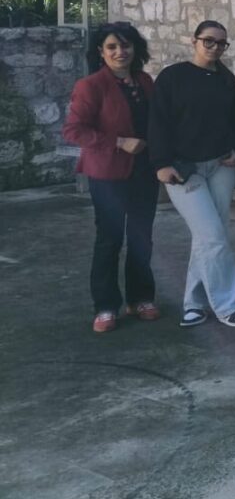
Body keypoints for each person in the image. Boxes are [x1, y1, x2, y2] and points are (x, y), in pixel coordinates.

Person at [148, 20, 235, 328]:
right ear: (194, 41)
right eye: (209, 40)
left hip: (220, 166)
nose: (215, 47)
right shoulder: (173, 77)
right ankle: (228, 306)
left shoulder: (227, 80)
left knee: (209, 236)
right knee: (213, 236)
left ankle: (194, 304)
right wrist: (161, 163)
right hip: (184, 170)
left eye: (221, 43)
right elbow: (157, 121)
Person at [63, 22, 160, 333]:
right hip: (107, 173)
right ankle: (105, 306)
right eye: (112, 47)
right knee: (110, 238)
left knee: (142, 237)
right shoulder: (90, 85)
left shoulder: (144, 81)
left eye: (126, 45)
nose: (120, 52)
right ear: (101, 52)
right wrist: (118, 142)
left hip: (144, 171)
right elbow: (74, 130)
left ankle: (140, 297)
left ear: (135, 48)